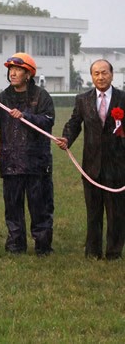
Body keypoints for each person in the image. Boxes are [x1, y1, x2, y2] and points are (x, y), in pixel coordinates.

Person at [0, 53, 55, 256]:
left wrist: (26, 116)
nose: (13, 73)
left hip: (37, 163)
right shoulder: (3, 97)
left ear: (28, 74)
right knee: (12, 207)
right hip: (11, 163)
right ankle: (15, 245)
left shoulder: (42, 96)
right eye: (11, 69)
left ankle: (43, 247)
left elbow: (48, 121)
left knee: (40, 207)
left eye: (18, 69)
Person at [57, 59, 125, 260]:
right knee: (93, 211)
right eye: (96, 73)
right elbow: (74, 123)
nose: (100, 77)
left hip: (118, 166)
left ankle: (114, 252)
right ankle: (92, 251)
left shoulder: (122, 99)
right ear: (92, 76)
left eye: (104, 73)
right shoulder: (83, 99)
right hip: (91, 166)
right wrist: (67, 138)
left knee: (117, 212)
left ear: (112, 75)